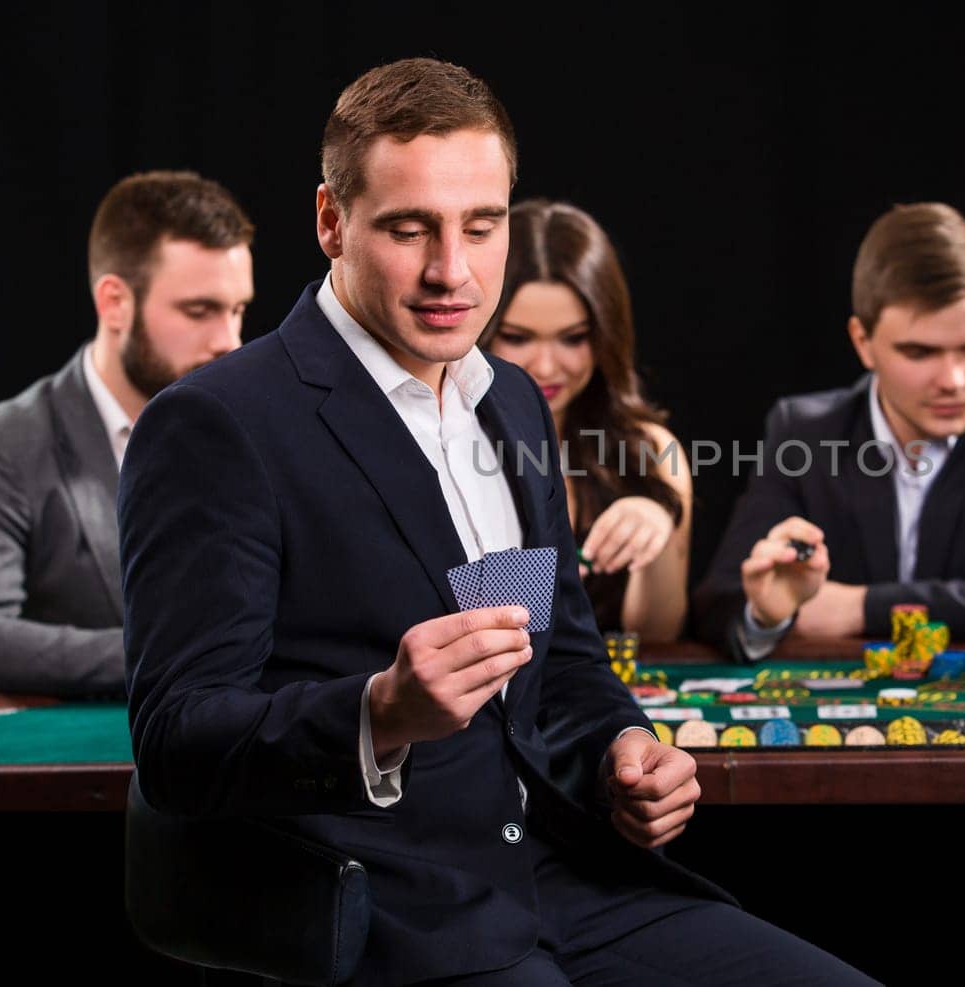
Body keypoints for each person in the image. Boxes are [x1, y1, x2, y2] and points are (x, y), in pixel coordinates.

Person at [120, 57, 876, 986]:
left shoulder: (508, 400)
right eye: (409, 229)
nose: (453, 270)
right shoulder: (217, 424)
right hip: (389, 910)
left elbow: (553, 662)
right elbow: (177, 744)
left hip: (566, 878)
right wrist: (379, 714)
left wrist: (621, 751)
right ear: (330, 221)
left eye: (482, 227)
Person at [692, 201, 965, 660]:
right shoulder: (804, 431)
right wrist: (767, 614)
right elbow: (719, 600)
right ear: (862, 343)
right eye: (919, 353)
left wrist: (861, 607)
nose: (953, 380)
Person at [0, 170, 254, 696]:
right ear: (114, 302)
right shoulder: (3, 446)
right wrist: (180, 655)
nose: (230, 343)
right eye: (199, 311)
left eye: (237, 311)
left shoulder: (254, 430)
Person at [481, 200, 691, 641]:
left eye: (573, 339)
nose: (545, 365)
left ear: (605, 337)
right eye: (517, 338)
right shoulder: (439, 444)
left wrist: (657, 528)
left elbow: (658, 637)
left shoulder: (652, 451)